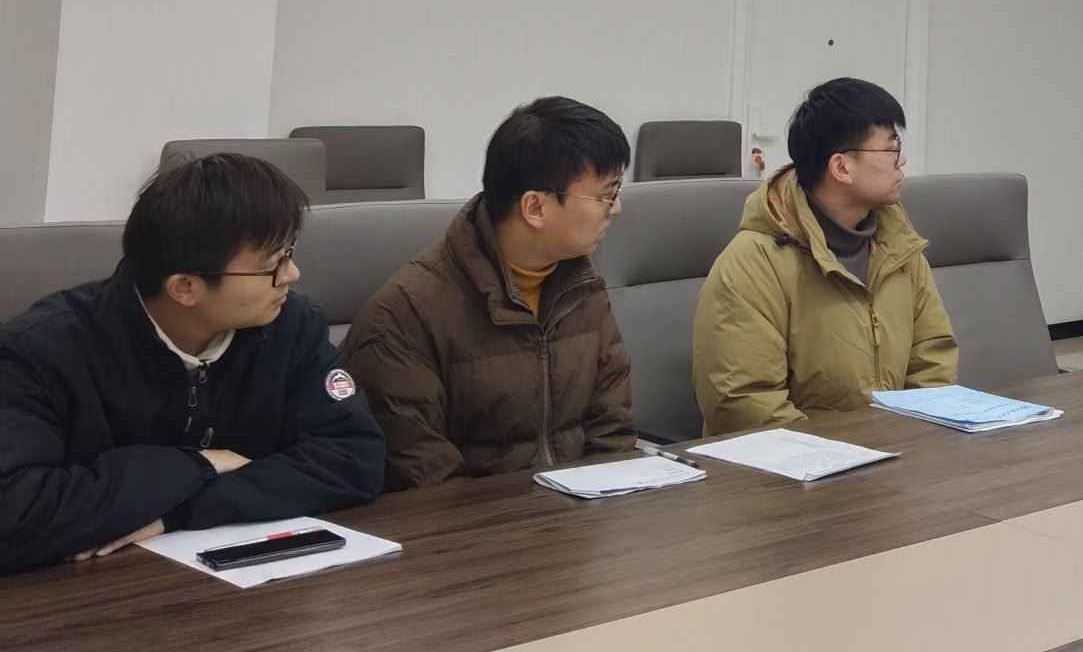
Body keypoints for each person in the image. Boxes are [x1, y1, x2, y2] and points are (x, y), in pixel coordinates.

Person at [0, 154, 383, 573]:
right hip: (87, 594)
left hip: (250, 585)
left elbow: (353, 458)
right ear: (185, 287)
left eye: (288, 253)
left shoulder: (293, 324)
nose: (292, 274)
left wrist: (177, 511)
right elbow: (14, 511)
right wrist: (198, 464)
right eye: (271, 265)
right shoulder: (39, 352)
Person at [340, 96, 635, 488]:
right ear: (535, 207)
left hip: (580, 517)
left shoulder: (581, 288)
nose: (616, 208)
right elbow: (424, 478)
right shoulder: (405, 314)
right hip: (472, 523)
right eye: (605, 196)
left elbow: (612, 431)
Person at [693, 77, 957, 436]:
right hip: (790, 463)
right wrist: (846, 456)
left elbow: (932, 360)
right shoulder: (752, 262)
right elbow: (743, 402)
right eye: (891, 147)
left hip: (896, 454)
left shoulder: (899, 248)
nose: (902, 160)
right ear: (841, 168)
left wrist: (910, 442)